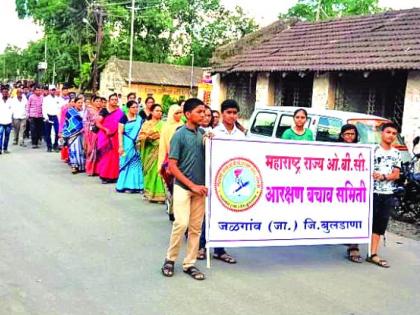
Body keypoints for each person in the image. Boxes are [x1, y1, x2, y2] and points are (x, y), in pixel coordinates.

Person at [161, 98, 208, 281]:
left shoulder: (203, 134)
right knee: (181, 224)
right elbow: (172, 166)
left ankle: (189, 263)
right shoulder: (179, 135)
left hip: (200, 189)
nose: (203, 115)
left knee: (196, 228)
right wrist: (191, 185)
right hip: (183, 187)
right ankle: (170, 259)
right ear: (188, 114)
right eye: (199, 112)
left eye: (204, 112)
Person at [198, 99, 245, 263]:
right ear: (223, 113)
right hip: (214, 177)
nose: (232, 116)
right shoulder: (213, 133)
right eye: (228, 113)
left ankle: (220, 249)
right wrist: (206, 140)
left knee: (225, 213)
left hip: (232, 180)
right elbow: (205, 152)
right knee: (208, 212)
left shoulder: (241, 135)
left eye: (234, 113)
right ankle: (202, 246)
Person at [367, 122, 401, 268]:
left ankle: (373, 253)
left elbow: (396, 174)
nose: (391, 136)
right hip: (370, 192)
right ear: (382, 133)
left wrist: (383, 177)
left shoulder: (396, 153)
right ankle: (353, 248)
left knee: (380, 224)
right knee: (365, 221)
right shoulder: (372, 150)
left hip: (387, 194)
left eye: (394, 133)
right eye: (388, 132)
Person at [337, 124, 363, 263]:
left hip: (354, 188)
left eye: (352, 134)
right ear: (342, 135)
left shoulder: (362, 150)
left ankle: (354, 247)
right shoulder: (333, 149)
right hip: (336, 188)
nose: (349, 137)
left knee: (356, 216)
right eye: (346, 134)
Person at [158, 104, 184, 220]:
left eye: (180, 113)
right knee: (170, 187)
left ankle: (177, 211)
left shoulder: (183, 126)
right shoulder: (166, 127)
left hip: (181, 160)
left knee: (178, 187)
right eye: (176, 113)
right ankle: (171, 210)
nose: (179, 115)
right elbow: (164, 146)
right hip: (169, 158)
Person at [138, 104, 166, 202]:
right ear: (151, 112)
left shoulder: (164, 124)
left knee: (159, 172)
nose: (159, 113)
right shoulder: (146, 124)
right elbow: (140, 137)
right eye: (157, 110)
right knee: (150, 172)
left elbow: (166, 137)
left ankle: (160, 195)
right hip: (149, 152)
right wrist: (149, 137)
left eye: (161, 111)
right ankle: (149, 193)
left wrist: (156, 136)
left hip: (161, 152)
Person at [116, 100, 144, 193]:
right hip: (126, 143)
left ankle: (137, 186)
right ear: (128, 108)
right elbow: (120, 132)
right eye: (133, 107)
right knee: (126, 164)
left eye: (137, 107)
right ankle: (125, 185)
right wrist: (120, 146)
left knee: (136, 165)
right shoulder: (123, 118)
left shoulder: (139, 118)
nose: (136, 109)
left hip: (137, 144)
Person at [96, 93, 124, 184]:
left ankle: (113, 176)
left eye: (116, 99)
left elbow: (123, 124)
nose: (114, 101)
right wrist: (105, 129)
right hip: (105, 136)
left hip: (116, 136)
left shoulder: (120, 112)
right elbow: (98, 123)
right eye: (112, 99)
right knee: (105, 156)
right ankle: (104, 176)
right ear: (109, 101)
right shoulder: (104, 111)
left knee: (115, 157)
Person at [62, 95, 85, 174]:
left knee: (81, 149)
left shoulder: (84, 111)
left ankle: (82, 166)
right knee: (73, 149)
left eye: (82, 103)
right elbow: (68, 122)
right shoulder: (70, 111)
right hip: (72, 133)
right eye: (78, 102)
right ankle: (74, 166)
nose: (80, 104)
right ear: (74, 103)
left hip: (83, 133)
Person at [83, 95, 102, 176]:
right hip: (91, 132)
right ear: (92, 102)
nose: (98, 103)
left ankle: (98, 170)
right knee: (91, 150)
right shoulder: (89, 110)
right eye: (96, 101)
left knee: (99, 151)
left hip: (100, 132)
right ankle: (90, 169)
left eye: (99, 101)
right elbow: (85, 121)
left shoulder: (101, 110)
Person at [43, 85, 63, 152]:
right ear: (49, 91)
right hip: (48, 116)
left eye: (54, 90)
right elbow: (44, 108)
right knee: (47, 133)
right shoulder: (46, 99)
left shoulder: (58, 99)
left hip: (55, 116)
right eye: (52, 90)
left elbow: (60, 108)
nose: (53, 91)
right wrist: (46, 117)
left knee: (57, 131)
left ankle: (55, 145)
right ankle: (49, 146)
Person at [0, 85, 13, 154]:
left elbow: (12, 111)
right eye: (3, 92)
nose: (5, 93)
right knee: (0, 135)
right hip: (1, 122)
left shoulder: (10, 101)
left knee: (7, 136)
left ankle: (5, 149)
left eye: (6, 92)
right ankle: (0, 149)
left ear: (8, 93)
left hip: (8, 122)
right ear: (1, 93)